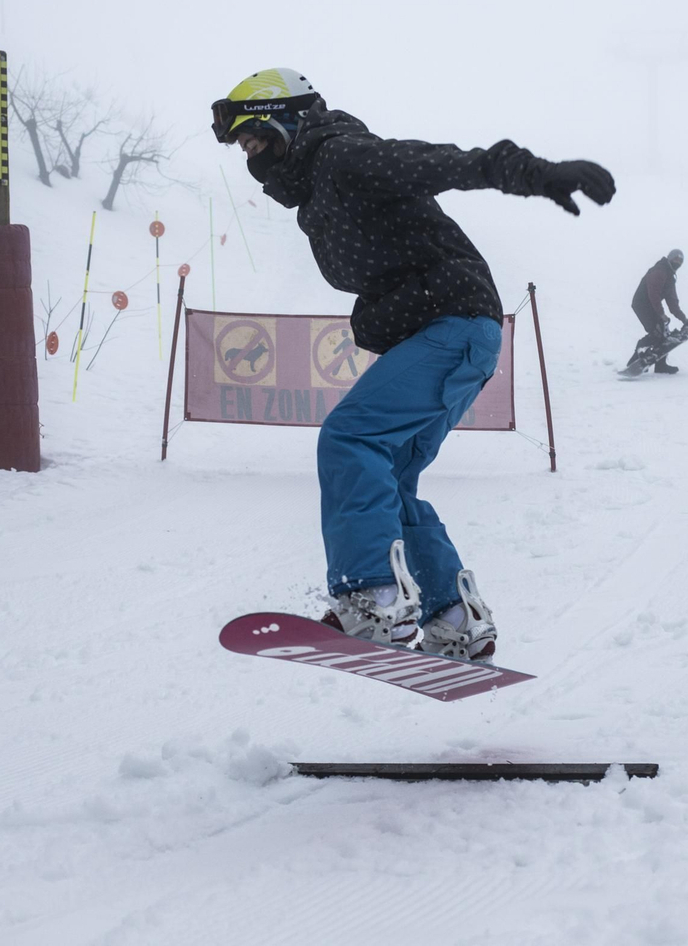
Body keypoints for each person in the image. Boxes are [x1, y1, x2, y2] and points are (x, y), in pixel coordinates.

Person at [212, 67, 614, 662]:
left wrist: (535, 174)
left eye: (258, 141)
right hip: (457, 331)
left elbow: (438, 163)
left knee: (350, 439)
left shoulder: (342, 157)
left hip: (451, 325)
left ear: (286, 121)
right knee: (391, 478)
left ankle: (371, 594)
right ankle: (452, 617)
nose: (255, 160)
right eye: (245, 150)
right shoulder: (318, 190)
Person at [628, 249, 688, 374]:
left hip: (651, 305)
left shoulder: (670, 277)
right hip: (642, 304)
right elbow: (653, 295)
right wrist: (661, 314)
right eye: (675, 259)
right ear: (669, 258)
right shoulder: (660, 271)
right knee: (656, 332)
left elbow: (672, 302)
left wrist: (684, 319)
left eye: (680, 261)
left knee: (663, 333)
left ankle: (660, 366)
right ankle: (634, 362)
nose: (677, 263)